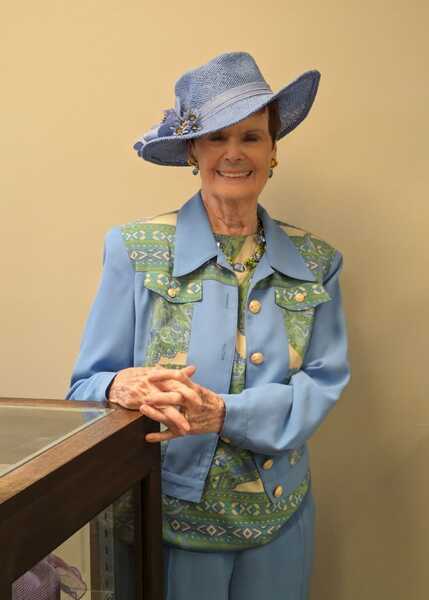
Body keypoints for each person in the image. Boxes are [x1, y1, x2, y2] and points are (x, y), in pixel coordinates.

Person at [66, 51, 351, 600]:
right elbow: (85, 387)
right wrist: (119, 384)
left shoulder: (318, 261)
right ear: (193, 152)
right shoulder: (134, 249)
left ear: (273, 151)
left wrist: (223, 414)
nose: (234, 153)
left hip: (279, 521)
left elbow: (323, 382)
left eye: (251, 137)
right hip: (164, 521)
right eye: (217, 137)